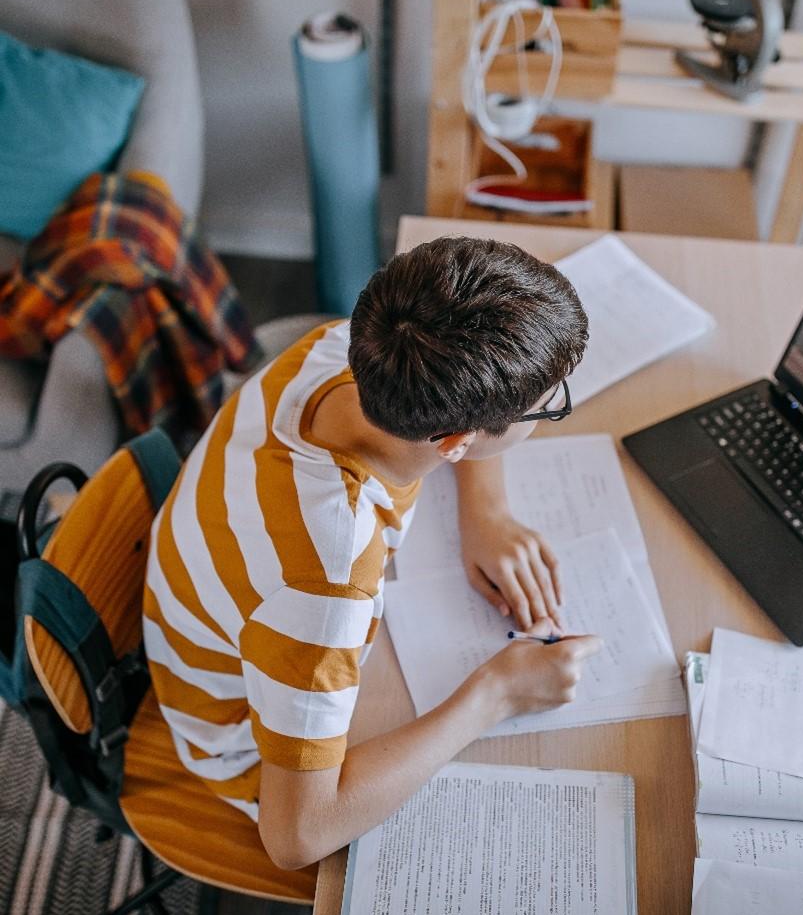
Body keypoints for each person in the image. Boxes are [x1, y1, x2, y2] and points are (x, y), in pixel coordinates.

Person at [142, 236, 603, 872]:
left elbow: (460, 426)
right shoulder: (324, 588)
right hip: (244, 746)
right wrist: (497, 693)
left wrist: (485, 512)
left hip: (238, 616)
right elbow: (296, 836)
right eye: (548, 407)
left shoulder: (351, 349)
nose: (553, 409)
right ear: (456, 442)